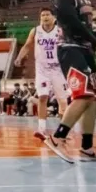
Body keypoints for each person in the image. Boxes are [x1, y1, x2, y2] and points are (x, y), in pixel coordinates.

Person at [41, 0, 96, 164]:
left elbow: (85, 26)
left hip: (84, 50)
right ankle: (57, 137)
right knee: (82, 95)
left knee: (92, 98)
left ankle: (87, 147)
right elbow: (70, 20)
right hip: (69, 49)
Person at [14, 9, 69, 139]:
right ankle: (42, 129)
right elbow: (27, 45)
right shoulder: (35, 30)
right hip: (42, 69)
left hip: (58, 69)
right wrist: (19, 57)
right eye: (42, 15)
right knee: (43, 97)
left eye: (47, 15)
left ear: (54, 18)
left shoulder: (60, 30)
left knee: (63, 101)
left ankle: (63, 130)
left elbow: (67, 46)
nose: (45, 17)